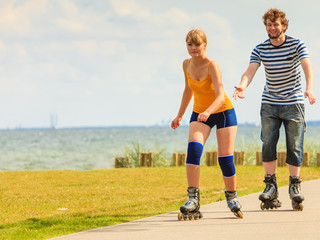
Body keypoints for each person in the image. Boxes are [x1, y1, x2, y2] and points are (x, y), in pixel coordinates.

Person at [233, 8, 316, 211]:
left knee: (294, 145)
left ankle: (294, 185)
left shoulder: (297, 44)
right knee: (268, 142)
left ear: (283, 26)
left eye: (276, 24)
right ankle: (270, 186)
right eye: (269, 25)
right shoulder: (260, 48)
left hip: (294, 101)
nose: (272, 28)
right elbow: (250, 70)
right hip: (269, 102)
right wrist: (243, 86)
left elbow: (307, 66)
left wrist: (309, 88)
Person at [171, 29, 243, 220]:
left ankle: (232, 197)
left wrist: (208, 111)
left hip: (223, 113)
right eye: (189, 44)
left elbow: (220, 96)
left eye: (197, 44)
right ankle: (193, 198)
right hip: (200, 114)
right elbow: (188, 90)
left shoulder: (212, 65)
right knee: (193, 151)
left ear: (205, 45)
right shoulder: (185, 64)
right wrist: (179, 115)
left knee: (225, 159)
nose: (193, 48)